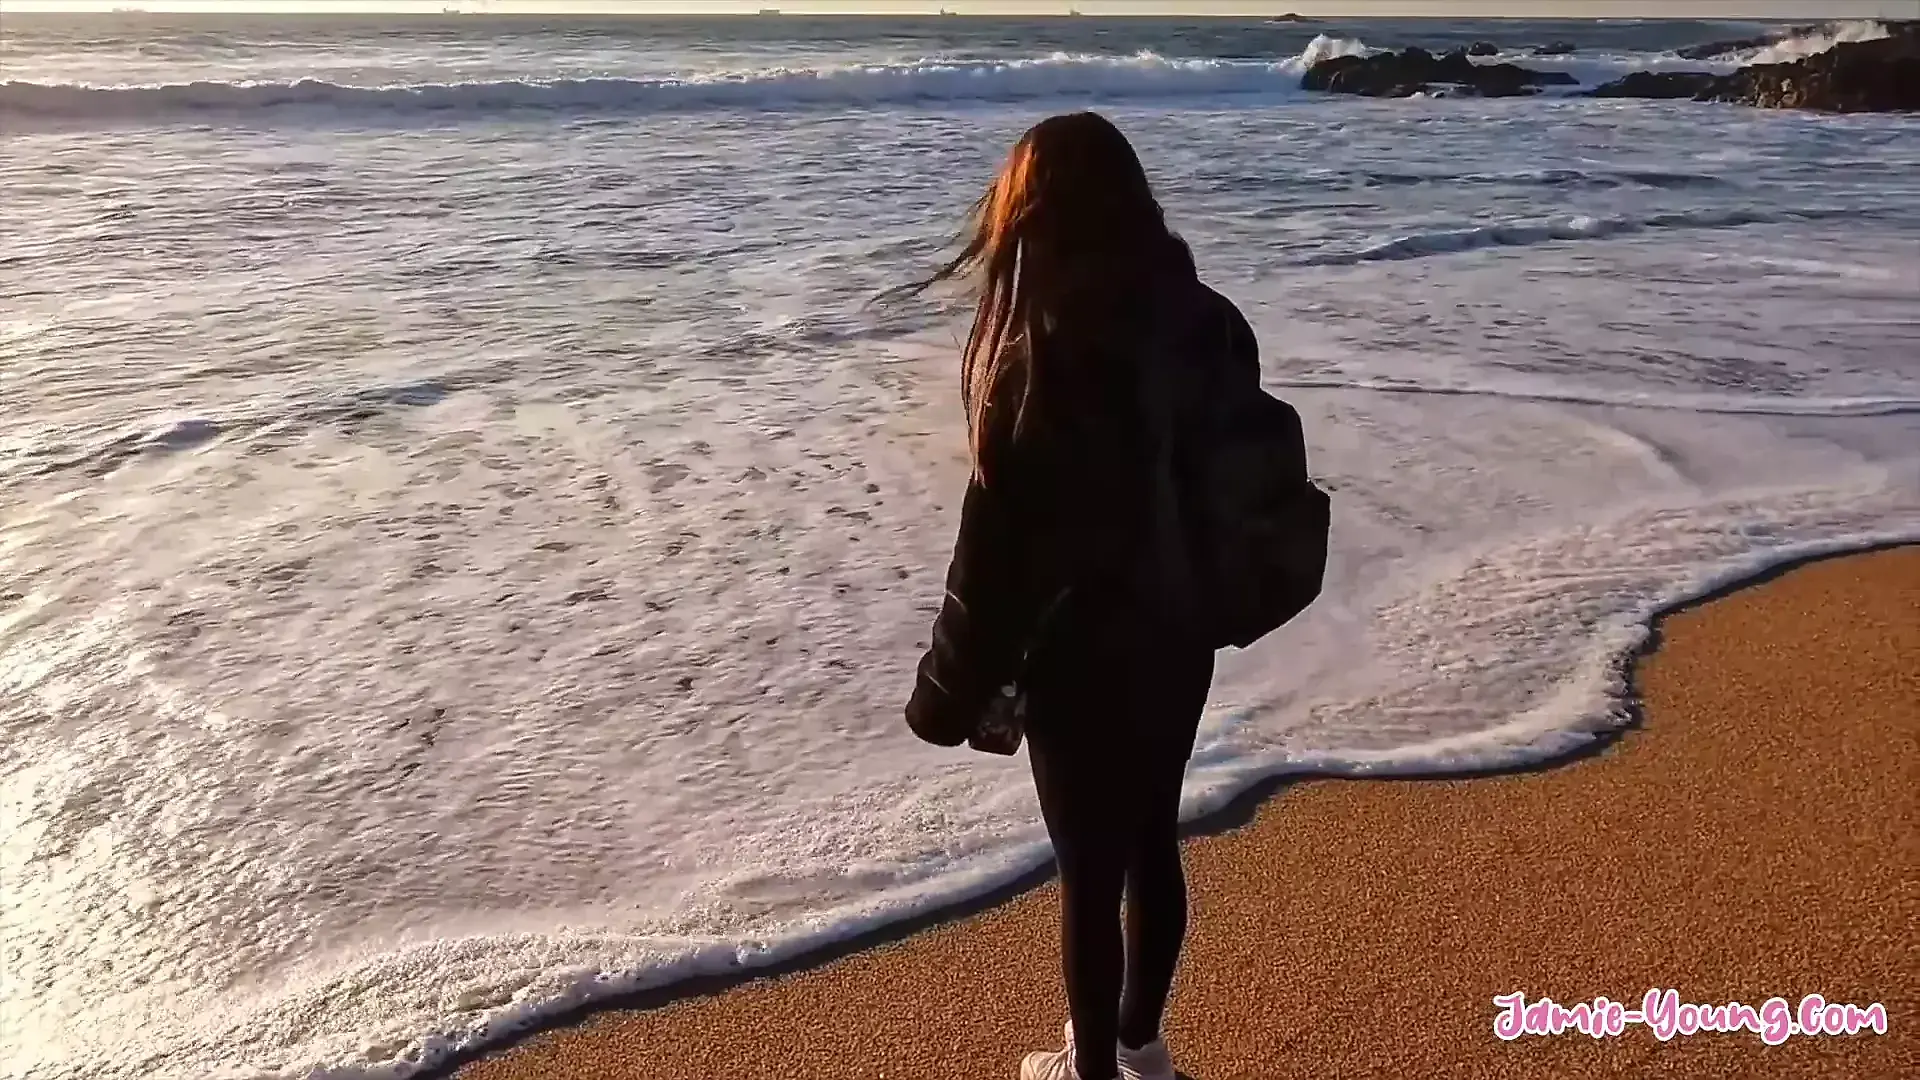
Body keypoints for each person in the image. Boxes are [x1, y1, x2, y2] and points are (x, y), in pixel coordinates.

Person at [901, 112, 1267, 1080]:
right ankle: (1141, 1051)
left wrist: (943, 695)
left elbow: (989, 562)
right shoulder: (1211, 324)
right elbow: (1237, 481)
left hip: (1078, 657)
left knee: (1089, 873)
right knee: (1152, 840)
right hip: (1179, 635)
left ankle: (1093, 1071)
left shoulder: (1038, 356)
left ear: (1035, 215)